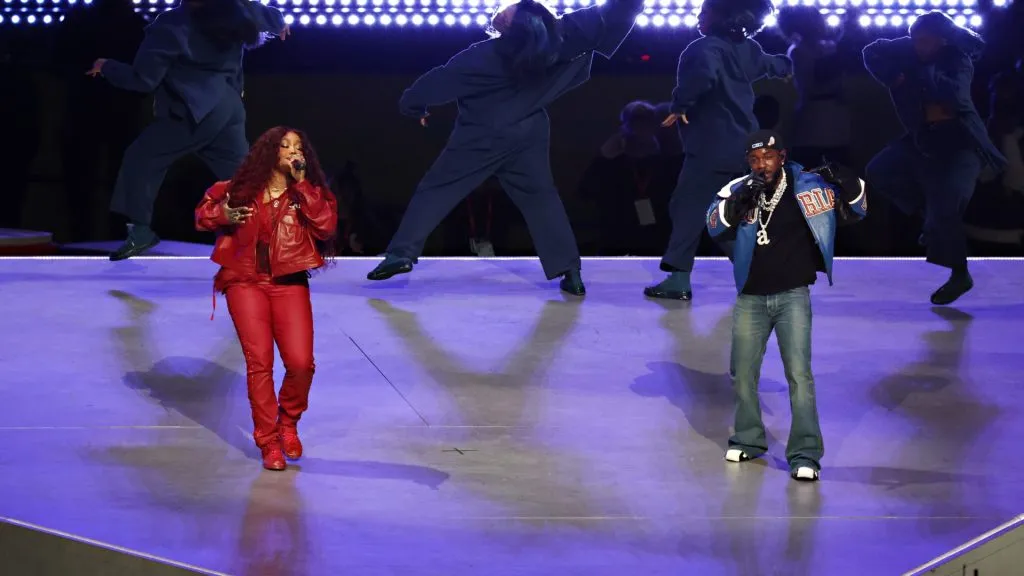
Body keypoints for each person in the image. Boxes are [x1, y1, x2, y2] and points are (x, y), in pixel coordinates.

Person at [366, 0, 645, 296]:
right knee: (541, 199)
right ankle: (570, 271)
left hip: (482, 134)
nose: (499, 8)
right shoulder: (562, 39)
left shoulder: (485, 55)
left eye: (503, 9)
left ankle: (401, 254)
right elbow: (611, 15)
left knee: (437, 188)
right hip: (529, 133)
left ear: (511, 23)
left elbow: (440, 79)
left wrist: (413, 105)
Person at [705, 130, 867, 482]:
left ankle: (805, 454)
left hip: (793, 296)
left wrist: (847, 180)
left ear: (782, 156)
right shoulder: (739, 189)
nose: (761, 164)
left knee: (799, 376)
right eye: (754, 159)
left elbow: (857, 209)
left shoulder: (808, 187)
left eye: (768, 156)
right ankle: (748, 439)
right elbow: (714, 225)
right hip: (750, 298)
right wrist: (739, 201)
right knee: (742, 374)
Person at [88, 0, 289, 261]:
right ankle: (273, 235)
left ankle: (140, 231)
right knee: (242, 176)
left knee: (141, 157)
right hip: (229, 106)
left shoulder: (171, 25)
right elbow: (271, 17)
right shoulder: (237, 7)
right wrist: (279, 23)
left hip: (195, 110)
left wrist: (106, 66)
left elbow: (143, 80)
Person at [194, 126, 338, 471]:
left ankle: (288, 423)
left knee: (301, 363)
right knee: (260, 363)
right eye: (285, 146)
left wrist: (302, 185)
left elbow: (326, 226)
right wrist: (223, 214)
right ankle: (268, 440)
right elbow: (202, 214)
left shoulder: (309, 192)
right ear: (270, 152)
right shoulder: (241, 189)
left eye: (298, 147)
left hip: (289, 283)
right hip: (245, 282)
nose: (292, 151)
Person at [645, 0, 791, 301]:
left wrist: (680, 104)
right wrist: (786, 65)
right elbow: (771, 64)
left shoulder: (703, 49)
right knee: (720, 214)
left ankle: (679, 277)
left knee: (687, 208)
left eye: (706, 10)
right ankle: (754, 272)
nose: (699, 15)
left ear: (726, 16)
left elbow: (702, 76)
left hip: (711, 145)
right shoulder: (747, 49)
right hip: (742, 145)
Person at [862, 11, 1006, 305]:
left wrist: (916, 77)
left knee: (946, 206)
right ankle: (929, 218)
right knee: (880, 170)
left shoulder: (957, 59)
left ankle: (959, 273)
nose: (919, 47)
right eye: (916, 40)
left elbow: (954, 96)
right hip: (923, 139)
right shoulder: (909, 48)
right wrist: (893, 77)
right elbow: (871, 51)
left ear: (942, 40)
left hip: (961, 143)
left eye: (925, 41)